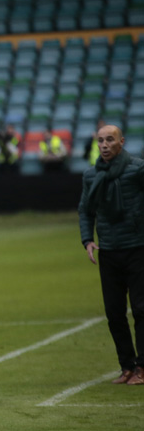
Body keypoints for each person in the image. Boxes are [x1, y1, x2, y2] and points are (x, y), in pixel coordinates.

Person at [79, 125, 144, 386]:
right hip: (108, 251)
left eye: (109, 140)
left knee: (141, 309)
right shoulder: (91, 175)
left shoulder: (138, 169)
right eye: (100, 140)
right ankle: (127, 366)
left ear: (121, 142)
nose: (104, 145)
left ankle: (142, 368)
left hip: (138, 248)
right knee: (114, 313)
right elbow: (86, 210)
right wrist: (87, 240)